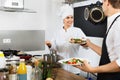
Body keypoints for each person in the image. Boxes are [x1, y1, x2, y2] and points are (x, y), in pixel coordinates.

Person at [75, 0, 120, 80]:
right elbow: (109, 54)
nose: (102, 6)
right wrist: (90, 44)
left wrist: (92, 69)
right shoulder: (113, 22)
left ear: (107, 2)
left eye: (102, 3)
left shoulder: (118, 24)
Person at [45, 4, 86, 74]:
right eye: (67, 17)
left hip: (74, 68)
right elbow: (54, 48)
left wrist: (80, 42)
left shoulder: (78, 31)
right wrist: (49, 44)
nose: (70, 20)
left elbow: (86, 44)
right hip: (61, 66)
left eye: (71, 17)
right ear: (63, 19)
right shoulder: (57, 32)